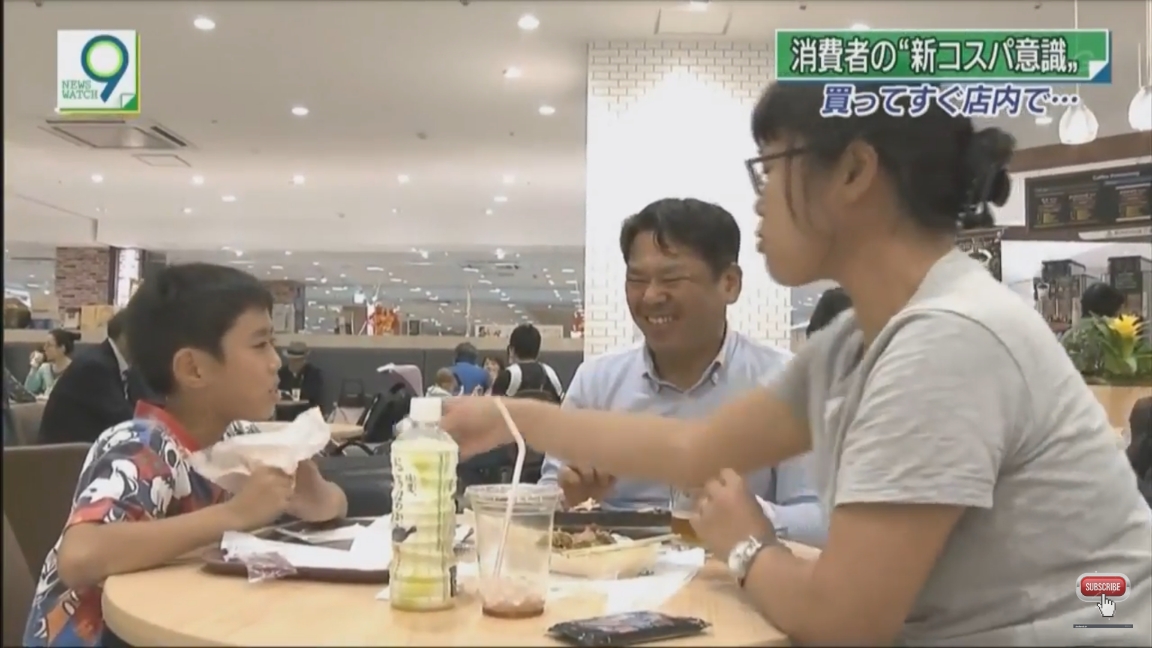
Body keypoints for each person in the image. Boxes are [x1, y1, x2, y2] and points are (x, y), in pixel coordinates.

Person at [441, 82, 1152, 645]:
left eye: (769, 169)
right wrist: (508, 417)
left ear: (854, 171)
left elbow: (844, 622)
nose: (757, 204)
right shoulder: (854, 342)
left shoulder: (948, 339)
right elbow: (695, 449)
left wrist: (747, 543)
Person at [23, 263, 348, 647]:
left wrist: (316, 498)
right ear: (193, 369)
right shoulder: (142, 446)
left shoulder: (238, 439)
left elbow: (335, 504)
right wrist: (236, 513)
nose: (276, 361)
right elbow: (80, 556)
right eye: (260, 344)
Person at [539, 198, 823, 546]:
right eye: (637, 279)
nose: (651, 296)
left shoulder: (786, 380)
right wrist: (569, 497)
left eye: (671, 278)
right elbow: (543, 500)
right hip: (614, 570)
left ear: (729, 283)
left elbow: (818, 517)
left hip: (733, 570)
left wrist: (748, 514)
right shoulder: (596, 381)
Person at [38, 311, 150, 445]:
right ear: (125, 336)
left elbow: (144, 405)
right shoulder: (95, 366)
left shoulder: (121, 365)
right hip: (63, 453)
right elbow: (125, 419)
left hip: (92, 446)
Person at [1062, 282, 1128, 375]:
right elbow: (1122, 372)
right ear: (1111, 310)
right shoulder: (1108, 336)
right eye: (1119, 311)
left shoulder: (1067, 336)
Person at [490, 324, 564, 401]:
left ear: (512, 350)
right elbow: (562, 403)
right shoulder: (550, 374)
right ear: (538, 352)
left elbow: (493, 404)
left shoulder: (507, 375)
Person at [24, 329, 77, 396]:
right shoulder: (45, 368)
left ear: (62, 348)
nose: (45, 348)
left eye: (49, 345)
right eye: (45, 344)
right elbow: (28, 391)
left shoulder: (74, 370)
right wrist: (34, 366)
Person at [277, 341, 325, 411]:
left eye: (298, 360)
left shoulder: (313, 374)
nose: (295, 363)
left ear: (304, 360)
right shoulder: (282, 373)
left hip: (306, 412)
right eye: (293, 359)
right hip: (284, 412)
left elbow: (313, 397)